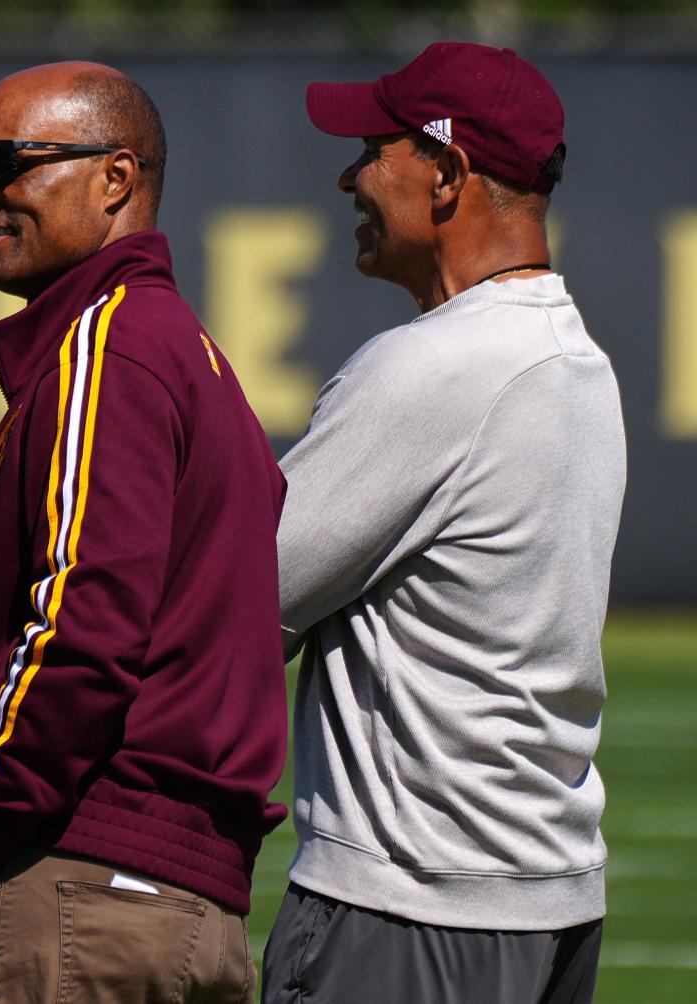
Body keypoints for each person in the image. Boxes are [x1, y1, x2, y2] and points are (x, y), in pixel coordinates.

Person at [0, 62, 288, 1004]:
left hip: (77, 895)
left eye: (8, 162)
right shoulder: (195, 359)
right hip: (180, 907)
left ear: (116, 179)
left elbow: (81, 626)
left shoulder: (111, 342)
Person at [262, 42, 626, 1004]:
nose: (349, 176)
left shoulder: (431, 366)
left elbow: (243, 601)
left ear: (450, 173)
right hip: (547, 901)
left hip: (413, 907)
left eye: (376, 149)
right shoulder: (577, 359)